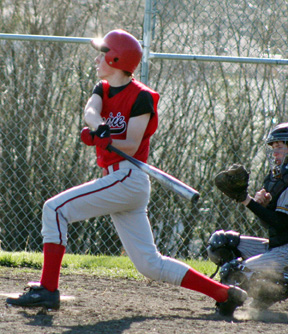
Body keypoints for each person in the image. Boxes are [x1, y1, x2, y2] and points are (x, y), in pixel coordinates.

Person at [6, 29, 247, 316]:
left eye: (103, 54)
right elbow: (90, 112)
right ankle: (225, 294)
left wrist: (106, 139)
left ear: (116, 58)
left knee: (54, 209)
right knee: (149, 264)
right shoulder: (102, 88)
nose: (97, 59)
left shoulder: (141, 97)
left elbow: (131, 145)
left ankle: (47, 289)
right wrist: (99, 129)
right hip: (118, 181)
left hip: (127, 177)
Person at [207, 122, 288, 309]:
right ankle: (257, 289)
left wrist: (247, 201)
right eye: (273, 148)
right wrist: (262, 207)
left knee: (235, 271)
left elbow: (282, 223)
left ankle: (269, 294)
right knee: (221, 243)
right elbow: (272, 226)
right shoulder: (276, 177)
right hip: (278, 245)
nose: (274, 153)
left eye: (280, 148)